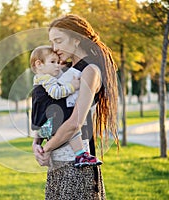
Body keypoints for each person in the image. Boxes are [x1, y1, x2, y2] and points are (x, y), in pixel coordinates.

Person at [32, 14, 119, 199]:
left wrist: (45, 150)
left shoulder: (90, 71)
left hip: (76, 167)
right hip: (57, 164)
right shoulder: (63, 70)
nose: (54, 48)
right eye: (52, 42)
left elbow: (75, 123)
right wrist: (36, 144)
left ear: (76, 39)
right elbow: (48, 109)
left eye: (58, 40)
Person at [30, 45, 103, 168]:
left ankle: (79, 154)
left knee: (69, 125)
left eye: (58, 62)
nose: (58, 65)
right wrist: (72, 86)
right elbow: (56, 93)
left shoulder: (42, 78)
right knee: (70, 124)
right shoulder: (46, 79)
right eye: (53, 62)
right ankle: (80, 154)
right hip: (49, 123)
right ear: (39, 64)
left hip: (43, 126)